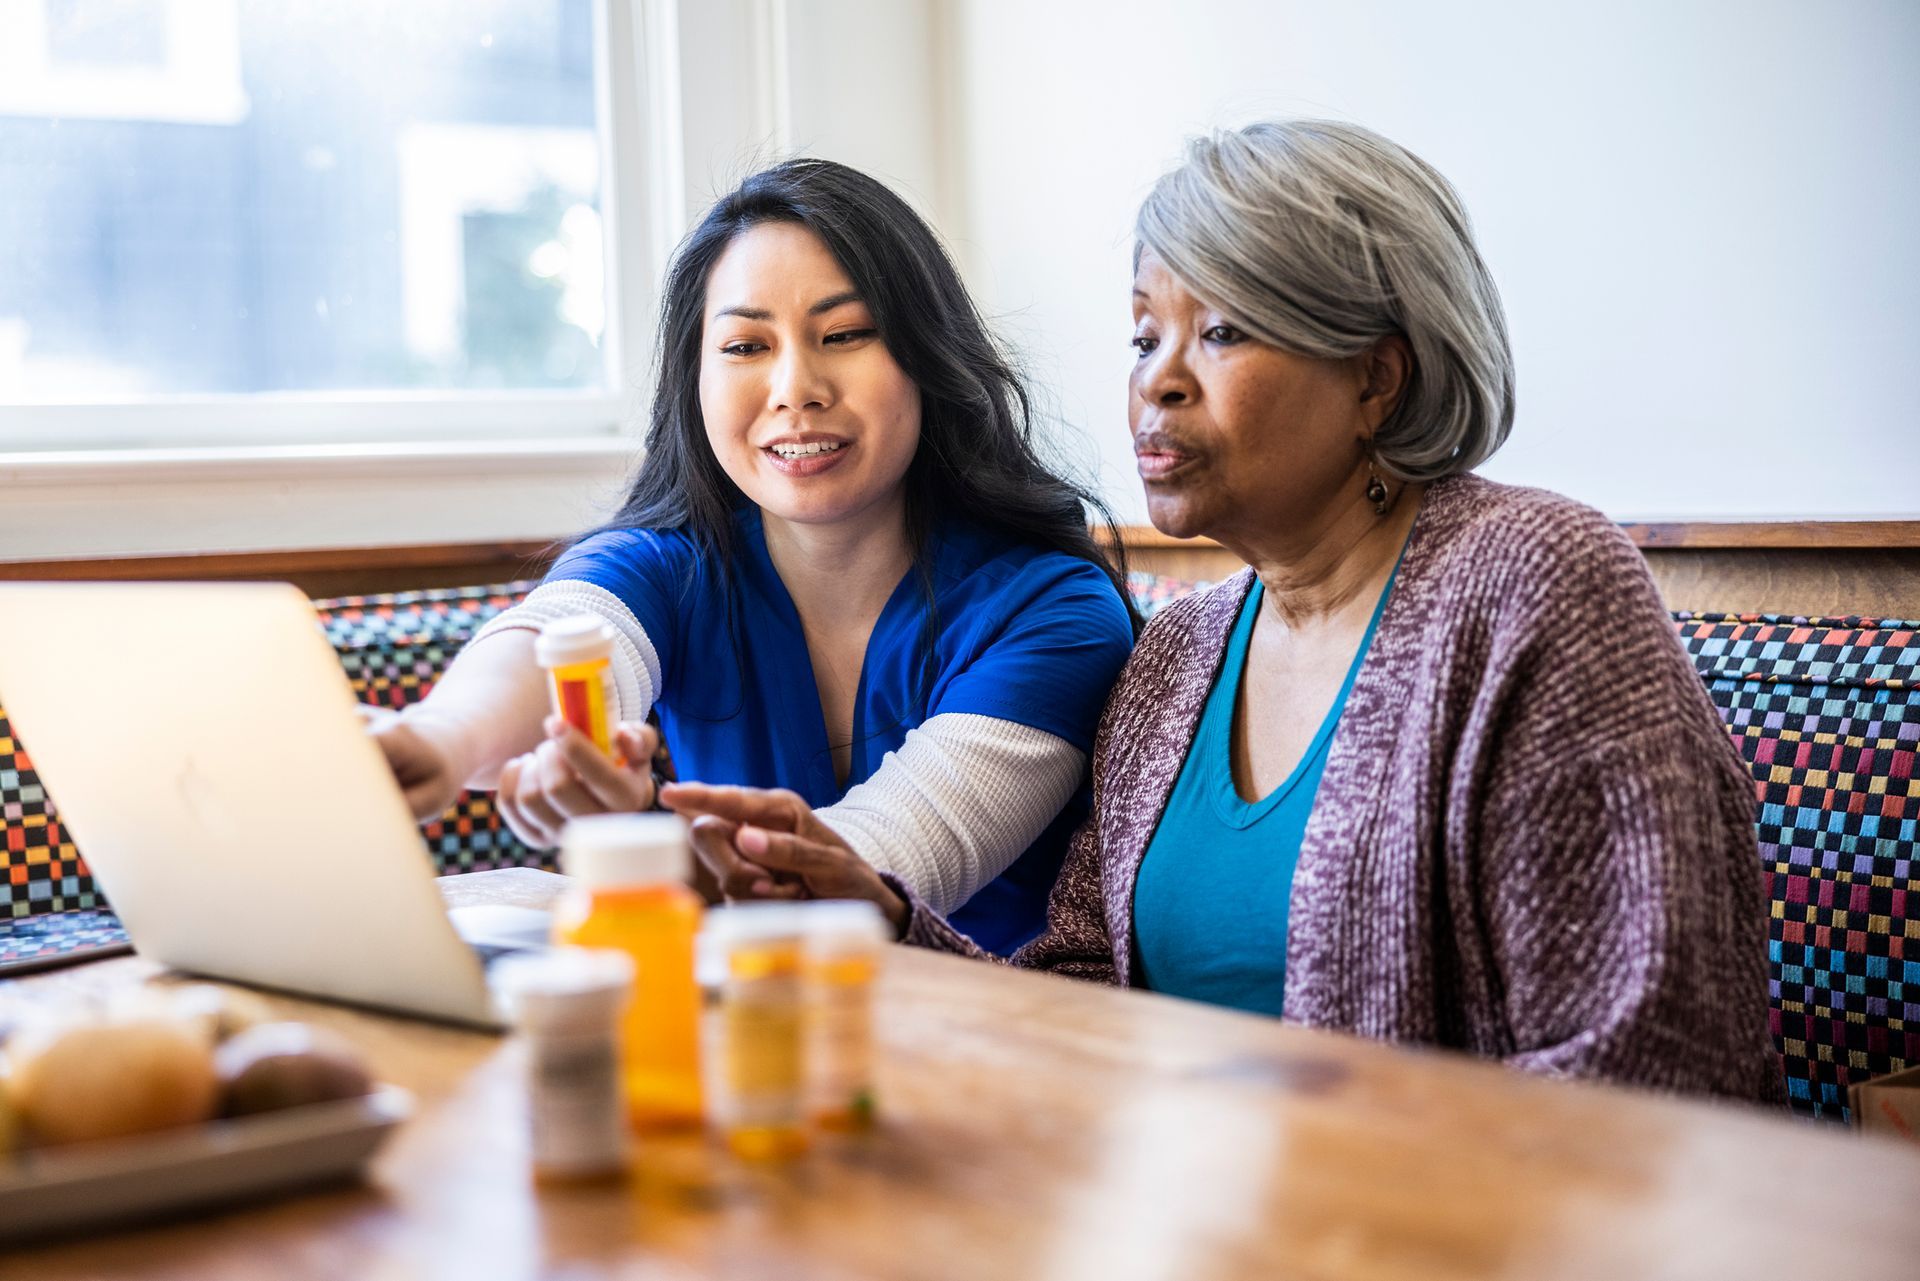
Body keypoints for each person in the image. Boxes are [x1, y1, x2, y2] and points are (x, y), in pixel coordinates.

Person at [666, 121, 1782, 1100]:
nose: (1159, 379)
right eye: (1144, 335)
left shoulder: (1534, 584)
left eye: (1225, 331)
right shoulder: (1177, 655)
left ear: (1377, 379)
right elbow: (1083, 1007)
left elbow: (1658, 1060)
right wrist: (877, 913)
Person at [371, 159, 1137, 956]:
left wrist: (631, 836)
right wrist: (436, 742)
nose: (795, 387)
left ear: (927, 359)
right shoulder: (668, 568)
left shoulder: (1056, 612)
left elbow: (864, 878)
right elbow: (562, 640)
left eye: (845, 335)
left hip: (990, 1037)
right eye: (744, 345)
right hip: (748, 1029)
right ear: (694, 381)